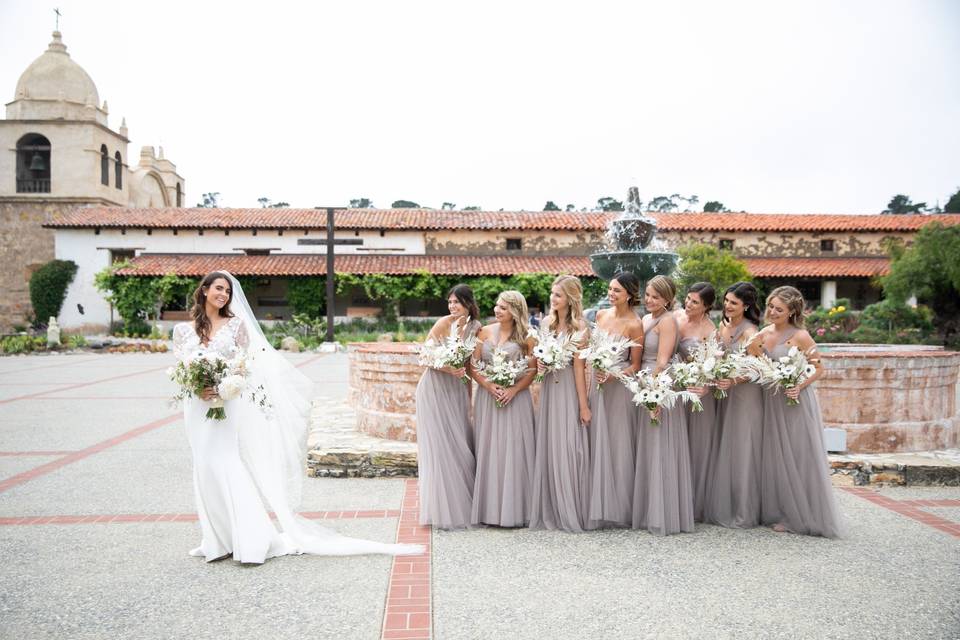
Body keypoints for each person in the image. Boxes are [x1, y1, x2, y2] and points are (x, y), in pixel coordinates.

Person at [173, 271, 421, 563]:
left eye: (227, 291)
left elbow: (244, 367)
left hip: (225, 402)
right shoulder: (182, 330)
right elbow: (180, 369)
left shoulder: (236, 326)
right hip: (197, 407)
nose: (223, 295)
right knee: (203, 466)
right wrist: (197, 386)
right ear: (203, 291)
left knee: (226, 462)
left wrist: (222, 387)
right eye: (218, 289)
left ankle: (251, 538)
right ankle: (215, 539)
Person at [751, 286, 843, 538]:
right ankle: (780, 509)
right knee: (775, 455)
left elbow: (819, 368)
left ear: (792, 312)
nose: (772, 312)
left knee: (797, 454)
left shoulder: (801, 336)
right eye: (770, 306)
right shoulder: (762, 333)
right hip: (772, 401)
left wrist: (797, 386)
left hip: (795, 402)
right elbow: (759, 365)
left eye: (779, 309)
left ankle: (802, 515)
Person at [415, 284, 482, 530]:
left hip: (456, 390)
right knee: (439, 445)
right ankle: (440, 508)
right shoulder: (443, 323)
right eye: (450, 302)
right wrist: (447, 368)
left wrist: (469, 400)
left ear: (468, 303)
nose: (452, 306)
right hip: (433, 388)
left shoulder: (476, 328)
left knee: (460, 443)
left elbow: (469, 365)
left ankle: (463, 500)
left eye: (457, 302)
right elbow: (424, 356)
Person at [632, 275, 695, 535]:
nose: (649, 300)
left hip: (659, 386)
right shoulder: (646, 319)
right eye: (647, 295)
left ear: (668, 300)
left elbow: (663, 361)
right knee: (647, 448)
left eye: (655, 297)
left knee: (660, 447)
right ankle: (647, 508)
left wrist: (655, 394)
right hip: (643, 383)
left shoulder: (668, 321)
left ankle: (663, 513)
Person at [529, 276, 592, 532]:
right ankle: (552, 507)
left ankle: (573, 508)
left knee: (569, 446)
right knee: (552, 445)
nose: (553, 299)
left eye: (558, 295)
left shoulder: (580, 327)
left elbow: (579, 369)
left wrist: (583, 405)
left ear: (571, 298)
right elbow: (539, 361)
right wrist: (542, 365)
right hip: (549, 389)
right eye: (553, 294)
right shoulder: (546, 323)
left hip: (567, 389)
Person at [470, 291, 537, 527]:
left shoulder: (528, 337)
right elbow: (474, 366)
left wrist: (513, 390)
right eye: (497, 306)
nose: (498, 310)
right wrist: (489, 385)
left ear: (516, 312)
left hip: (516, 400)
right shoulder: (484, 332)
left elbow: (532, 371)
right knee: (491, 449)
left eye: (504, 308)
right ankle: (490, 510)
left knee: (514, 450)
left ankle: (518, 510)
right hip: (488, 399)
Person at [703, 281, 765, 529]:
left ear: (746, 306)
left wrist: (734, 380)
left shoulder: (751, 333)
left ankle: (744, 511)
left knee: (743, 450)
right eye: (726, 300)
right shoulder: (724, 325)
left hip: (745, 396)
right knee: (727, 447)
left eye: (734, 303)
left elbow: (760, 369)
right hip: (725, 393)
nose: (727, 306)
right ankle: (728, 505)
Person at [587, 272, 644, 529]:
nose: (611, 294)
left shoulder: (635, 324)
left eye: (617, 291)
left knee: (619, 443)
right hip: (597, 386)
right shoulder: (600, 316)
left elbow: (635, 365)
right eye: (610, 289)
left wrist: (613, 375)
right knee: (597, 440)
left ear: (629, 294)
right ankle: (596, 503)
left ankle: (621, 508)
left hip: (619, 389)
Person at [674, 282, 718, 522]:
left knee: (696, 447)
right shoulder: (677, 317)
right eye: (688, 299)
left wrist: (704, 387)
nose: (688, 304)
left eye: (695, 302)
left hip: (699, 392)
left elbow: (714, 368)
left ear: (707, 306)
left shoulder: (711, 330)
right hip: (677, 387)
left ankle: (694, 504)